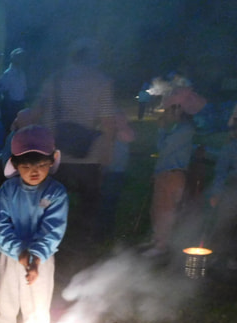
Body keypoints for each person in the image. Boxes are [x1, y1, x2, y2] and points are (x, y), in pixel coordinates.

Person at [0, 125, 69, 323]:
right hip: (11, 255)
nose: (33, 171)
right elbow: (1, 225)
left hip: (41, 259)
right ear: (16, 165)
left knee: (37, 307)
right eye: (26, 166)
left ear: (51, 161)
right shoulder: (8, 190)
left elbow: (52, 229)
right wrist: (19, 252)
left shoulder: (56, 193)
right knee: (6, 302)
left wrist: (35, 257)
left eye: (40, 164)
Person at [35, 38, 116, 238]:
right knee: (89, 201)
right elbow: (107, 122)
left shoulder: (54, 80)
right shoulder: (101, 82)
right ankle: (83, 242)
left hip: (56, 151)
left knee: (51, 198)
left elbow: (39, 113)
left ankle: (47, 237)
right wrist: (107, 152)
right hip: (89, 154)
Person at [143, 86, 206, 257]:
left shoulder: (184, 130)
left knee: (165, 210)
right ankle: (158, 240)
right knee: (158, 209)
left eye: (170, 108)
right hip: (166, 174)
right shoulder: (180, 129)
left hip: (172, 175)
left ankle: (162, 246)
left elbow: (164, 149)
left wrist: (161, 129)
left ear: (179, 109)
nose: (166, 113)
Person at [98, 109, 135, 241]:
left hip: (117, 172)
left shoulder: (124, 133)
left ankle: (105, 231)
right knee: (103, 200)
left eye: (119, 120)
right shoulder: (107, 133)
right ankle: (102, 229)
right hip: (106, 170)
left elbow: (129, 137)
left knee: (110, 201)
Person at [208, 122, 237, 270]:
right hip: (232, 189)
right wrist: (217, 192)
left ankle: (230, 258)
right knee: (225, 223)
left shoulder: (230, 147)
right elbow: (221, 171)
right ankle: (221, 257)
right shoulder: (230, 147)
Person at [0, 48, 28, 130]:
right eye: (18, 57)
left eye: (22, 57)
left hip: (20, 105)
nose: (20, 59)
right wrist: (10, 107)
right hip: (11, 107)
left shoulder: (22, 73)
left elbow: (24, 90)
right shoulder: (7, 74)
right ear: (12, 58)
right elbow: (5, 92)